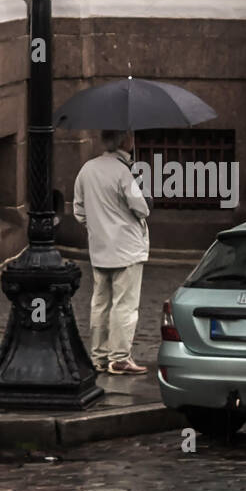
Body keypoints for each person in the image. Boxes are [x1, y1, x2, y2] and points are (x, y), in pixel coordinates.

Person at [72, 129, 150, 376]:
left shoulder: (87, 169)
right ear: (125, 141)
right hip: (126, 248)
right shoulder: (123, 171)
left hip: (100, 248)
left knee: (100, 304)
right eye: (132, 137)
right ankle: (119, 357)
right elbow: (142, 209)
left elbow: (79, 211)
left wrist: (98, 227)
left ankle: (99, 356)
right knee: (124, 305)